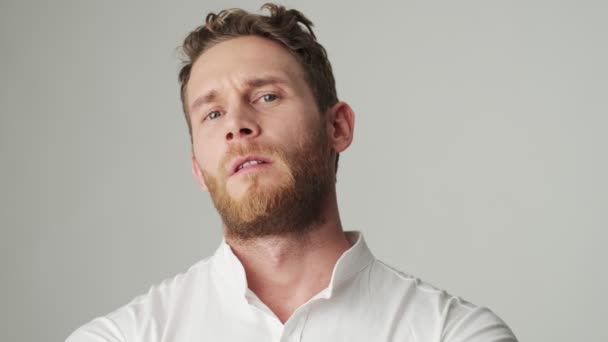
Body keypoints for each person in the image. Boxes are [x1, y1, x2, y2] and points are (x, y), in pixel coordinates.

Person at [67, 3, 517, 341]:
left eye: (266, 97)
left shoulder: (453, 333)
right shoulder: (118, 338)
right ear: (198, 170)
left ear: (337, 127)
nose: (237, 126)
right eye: (212, 114)